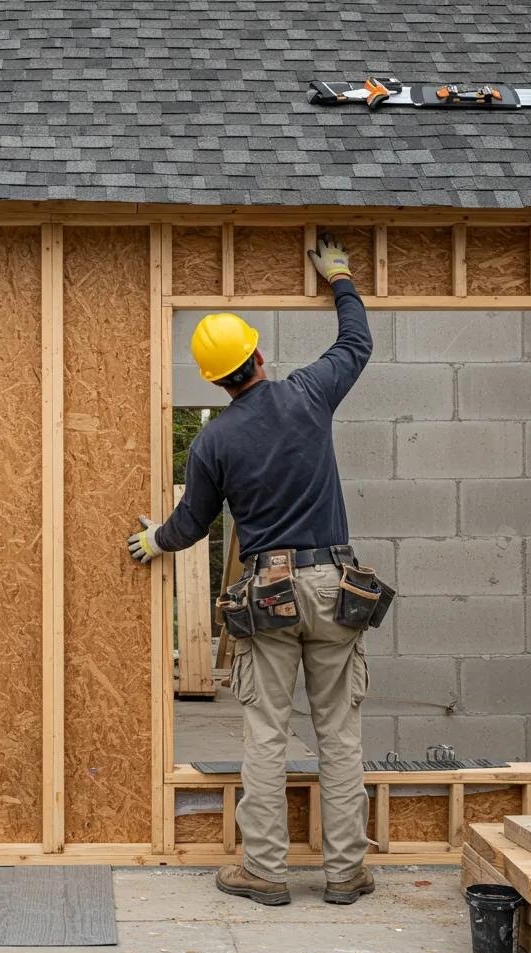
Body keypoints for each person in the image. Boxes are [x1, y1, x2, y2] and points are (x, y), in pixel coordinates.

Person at [127, 236, 378, 906]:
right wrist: (340, 279)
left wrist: (154, 541)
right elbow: (356, 345)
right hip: (335, 585)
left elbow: (190, 528)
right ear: (260, 357)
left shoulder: (213, 441)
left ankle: (264, 873)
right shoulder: (308, 395)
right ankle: (346, 873)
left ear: (215, 379)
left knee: (267, 732)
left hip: (268, 593)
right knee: (340, 734)